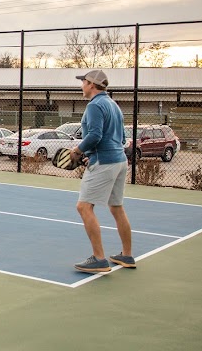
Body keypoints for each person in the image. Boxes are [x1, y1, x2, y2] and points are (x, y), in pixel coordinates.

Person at [70, 70, 135, 273]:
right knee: (117, 207)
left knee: (83, 207)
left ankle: (99, 258)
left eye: (83, 82)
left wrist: (78, 150)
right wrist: (92, 152)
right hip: (119, 161)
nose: (81, 85)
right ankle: (127, 255)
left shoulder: (95, 105)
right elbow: (122, 139)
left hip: (105, 162)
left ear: (91, 84)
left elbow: (95, 134)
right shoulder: (113, 105)